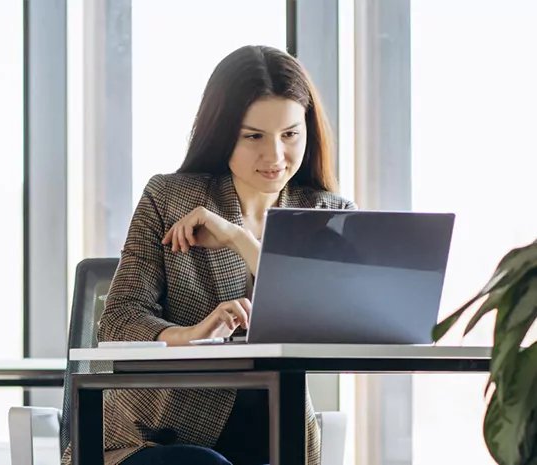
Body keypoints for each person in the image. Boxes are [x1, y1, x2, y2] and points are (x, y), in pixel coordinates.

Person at [62, 45, 356, 465]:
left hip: (274, 435)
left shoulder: (330, 215)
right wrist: (191, 335)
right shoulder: (169, 197)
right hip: (154, 437)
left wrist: (241, 239)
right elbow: (119, 320)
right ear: (222, 133)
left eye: (290, 134)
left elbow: (332, 319)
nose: (275, 156)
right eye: (253, 136)